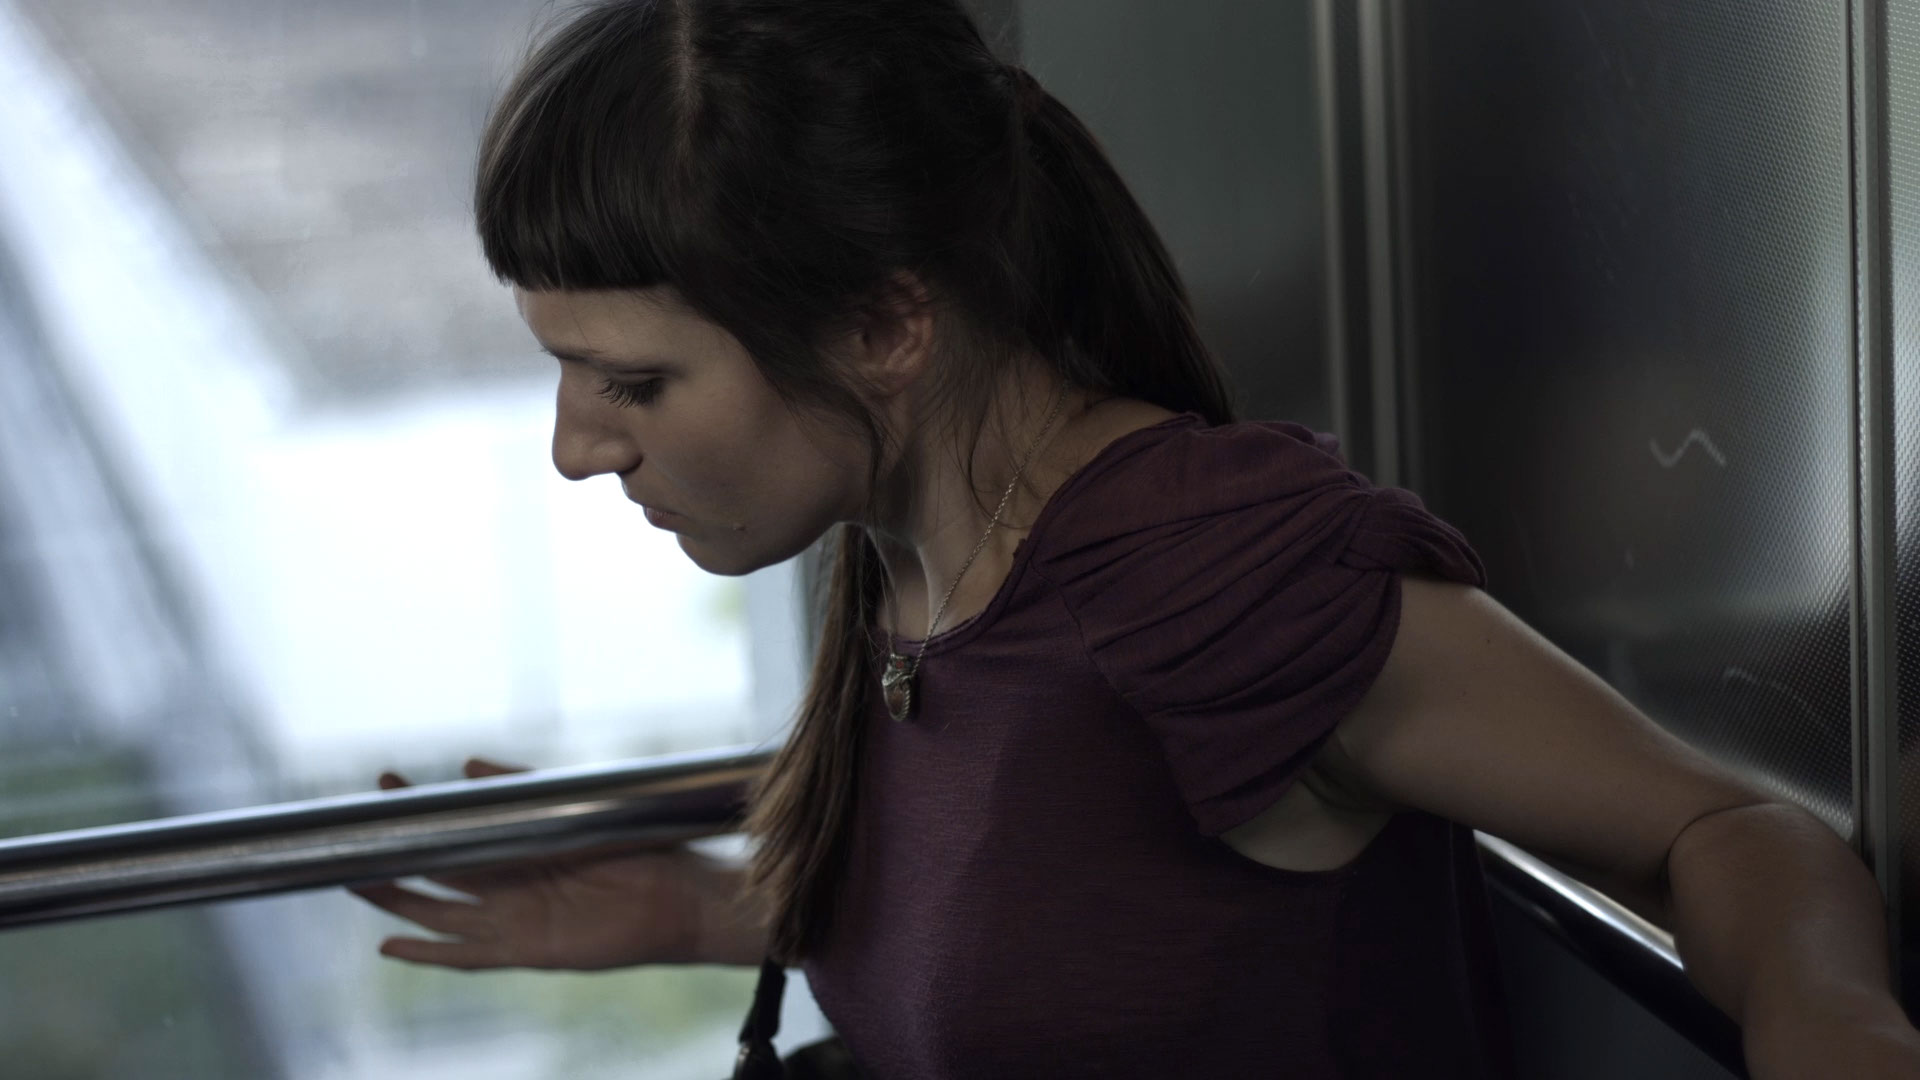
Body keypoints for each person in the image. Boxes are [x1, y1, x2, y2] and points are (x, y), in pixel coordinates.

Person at [348, 0, 1920, 1076]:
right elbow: (1099, 927)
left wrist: (1829, 1027)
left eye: (634, 383)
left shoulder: (1209, 571)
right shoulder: (906, 553)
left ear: (885, 326)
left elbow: (1725, 833)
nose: (574, 449)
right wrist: (708, 907)